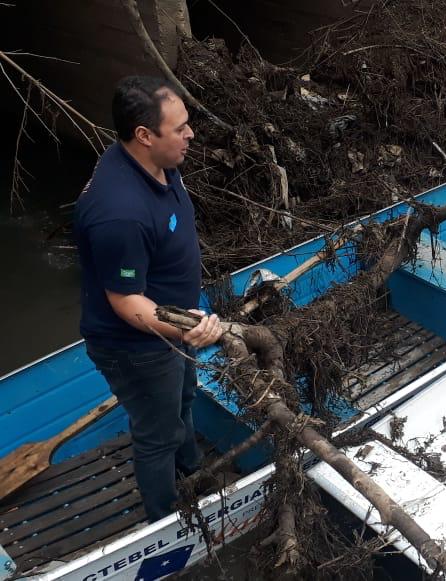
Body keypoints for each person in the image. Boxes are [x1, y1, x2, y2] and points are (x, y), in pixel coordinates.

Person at [76, 76, 223, 522]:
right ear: (144, 135)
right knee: (157, 433)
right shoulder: (118, 213)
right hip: (136, 346)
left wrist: (184, 320)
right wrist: (187, 325)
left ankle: (191, 470)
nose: (190, 134)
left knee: (182, 401)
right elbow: (126, 302)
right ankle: (167, 518)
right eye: (179, 128)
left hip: (171, 326)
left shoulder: (157, 161)